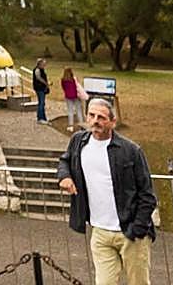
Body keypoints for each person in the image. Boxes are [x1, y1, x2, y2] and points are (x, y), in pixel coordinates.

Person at [57, 98, 156, 285]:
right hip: (100, 232)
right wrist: (64, 177)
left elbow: (147, 194)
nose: (95, 121)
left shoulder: (131, 150)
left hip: (130, 232)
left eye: (101, 117)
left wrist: (138, 228)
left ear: (112, 121)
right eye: (91, 115)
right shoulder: (78, 141)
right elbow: (64, 161)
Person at [61, 67, 82, 132]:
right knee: (79, 111)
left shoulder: (63, 80)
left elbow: (63, 88)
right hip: (76, 96)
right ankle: (82, 125)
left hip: (68, 96)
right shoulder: (73, 79)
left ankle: (71, 126)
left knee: (70, 111)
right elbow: (77, 87)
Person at [32, 58, 50, 125]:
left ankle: (43, 117)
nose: (44, 65)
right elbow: (39, 78)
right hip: (39, 88)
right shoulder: (37, 70)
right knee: (41, 103)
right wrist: (46, 83)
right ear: (40, 64)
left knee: (42, 103)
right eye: (43, 64)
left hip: (41, 88)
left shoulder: (41, 70)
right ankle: (40, 118)